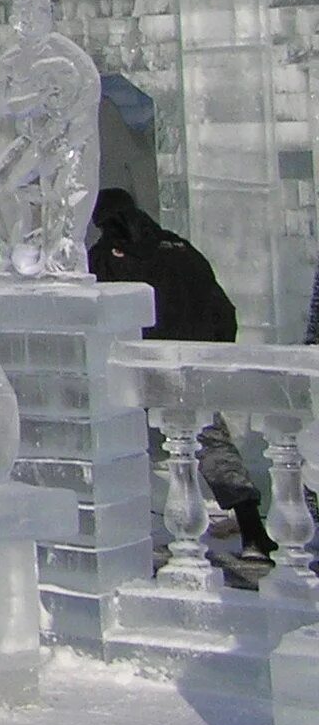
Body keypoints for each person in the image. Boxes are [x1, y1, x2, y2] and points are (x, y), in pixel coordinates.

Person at [88, 188, 275, 559]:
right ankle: (253, 532)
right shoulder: (179, 247)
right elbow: (223, 309)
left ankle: (125, 533)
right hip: (191, 366)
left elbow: (97, 316)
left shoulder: (106, 256)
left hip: (139, 366)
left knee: (116, 446)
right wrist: (212, 355)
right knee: (212, 446)